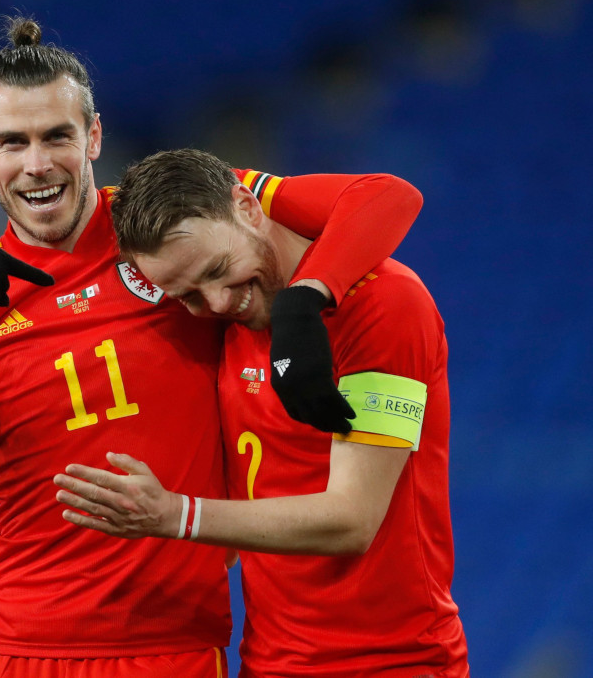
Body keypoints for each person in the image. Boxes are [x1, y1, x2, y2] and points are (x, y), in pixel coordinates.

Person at [0, 15, 423, 678]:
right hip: (15, 645)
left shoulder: (173, 229)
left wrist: (306, 298)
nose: (37, 164)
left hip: (169, 647)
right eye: (13, 142)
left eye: (57, 136)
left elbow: (381, 198)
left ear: (92, 136)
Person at [45, 148, 470, 676]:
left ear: (248, 207)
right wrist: (19, 580)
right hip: (267, 661)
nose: (218, 303)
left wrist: (178, 514)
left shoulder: (384, 304)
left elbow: (352, 520)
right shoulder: (228, 323)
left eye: (219, 270)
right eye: (189, 296)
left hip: (389, 662)